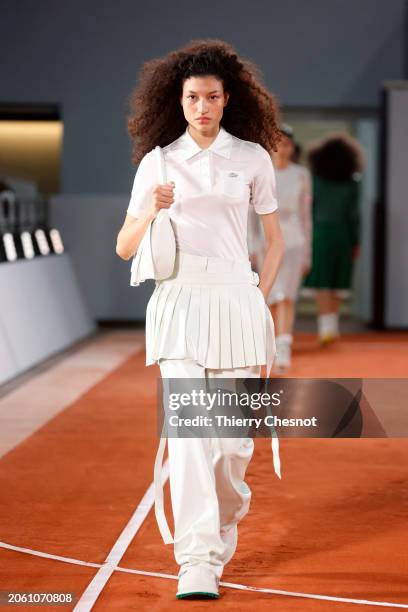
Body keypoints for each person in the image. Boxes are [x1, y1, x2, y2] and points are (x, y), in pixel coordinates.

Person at [116, 39, 284, 600]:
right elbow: (124, 247)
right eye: (192, 97)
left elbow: (275, 241)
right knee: (189, 437)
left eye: (212, 96)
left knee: (232, 445)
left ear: (227, 98)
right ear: (179, 100)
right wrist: (153, 210)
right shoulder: (158, 163)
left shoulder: (253, 158)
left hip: (238, 300)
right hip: (180, 302)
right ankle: (197, 558)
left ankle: (225, 516)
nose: (202, 106)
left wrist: (259, 295)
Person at [248, 124, 312, 371]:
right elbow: (250, 215)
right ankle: (272, 344)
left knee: (288, 295)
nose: (281, 149)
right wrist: (252, 245)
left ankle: (284, 346)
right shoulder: (260, 173)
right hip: (267, 240)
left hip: (294, 240)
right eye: (276, 143)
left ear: (292, 147)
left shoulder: (301, 174)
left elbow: (306, 215)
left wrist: (308, 251)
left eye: (286, 143)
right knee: (270, 294)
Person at [303, 132, 364, 343]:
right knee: (338, 281)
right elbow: (354, 215)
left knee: (322, 281)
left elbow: (308, 210)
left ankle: (324, 327)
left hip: (318, 234)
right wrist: (356, 241)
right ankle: (332, 326)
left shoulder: (314, 180)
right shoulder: (353, 182)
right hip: (343, 235)